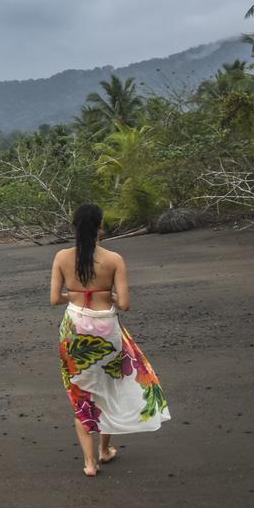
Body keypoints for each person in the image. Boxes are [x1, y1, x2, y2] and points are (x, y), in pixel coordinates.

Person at [50, 203, 170, 477]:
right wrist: (108, 295)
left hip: (74, 330)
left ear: (73, 227)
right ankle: (104, 451)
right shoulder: (114, 259)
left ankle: (89, 463)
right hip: (107, 329)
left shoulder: (61, 257)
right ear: (101, 227)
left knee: (82, 393)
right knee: (109, 389)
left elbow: (55, 299)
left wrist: (75, 294)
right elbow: (125, 304)